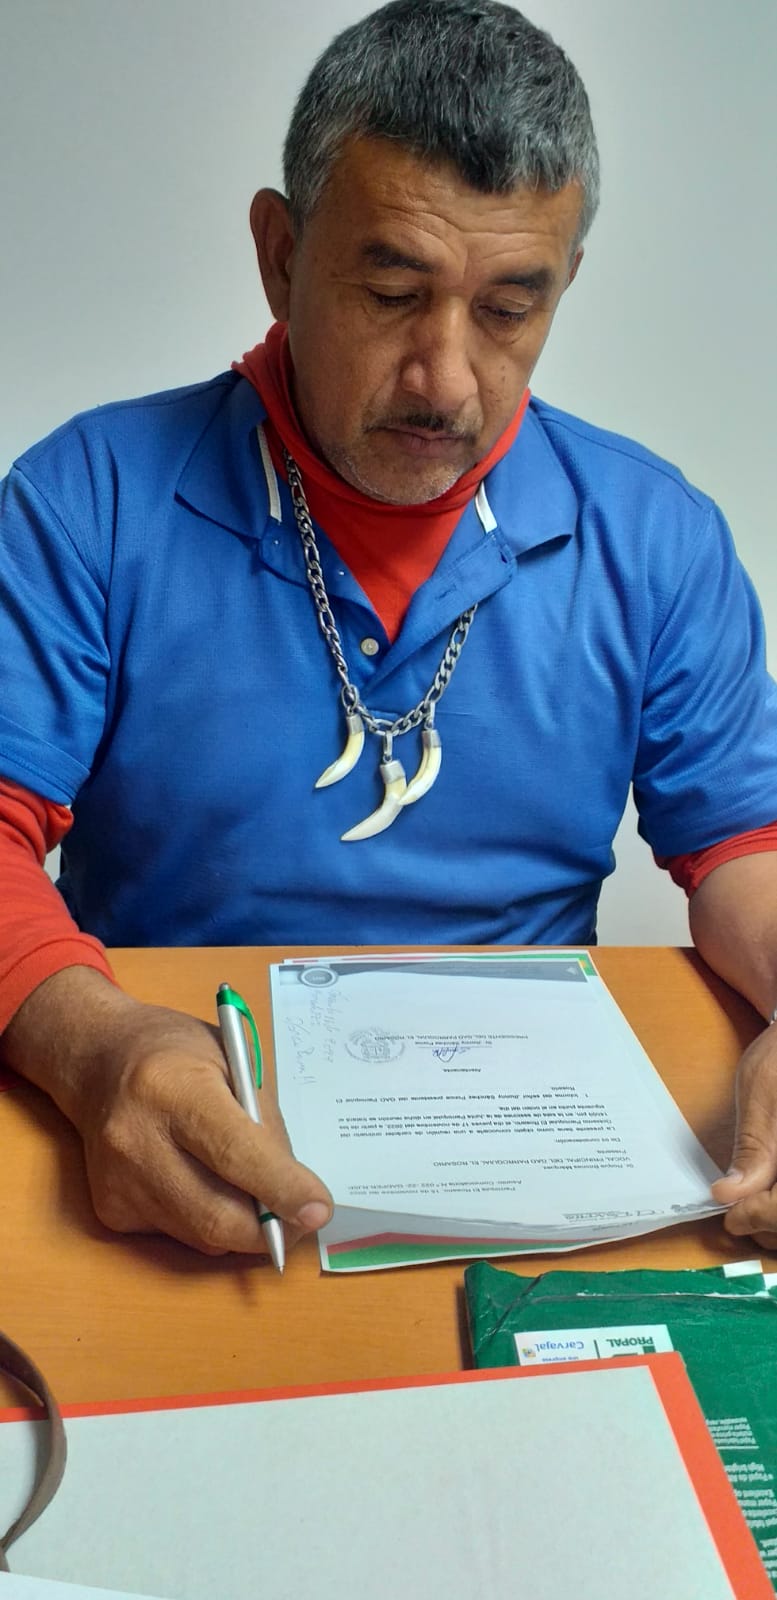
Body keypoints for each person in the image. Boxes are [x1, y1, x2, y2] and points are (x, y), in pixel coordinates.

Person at [1, 0, 776, 1259]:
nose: (446, 378)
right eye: (391, 291)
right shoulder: (87, 501)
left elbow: (745, 843)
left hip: (535, 1163)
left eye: (509, 309)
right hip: (175, 1116)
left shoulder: (655, 534)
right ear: (279, 253)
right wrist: (91, 1046)